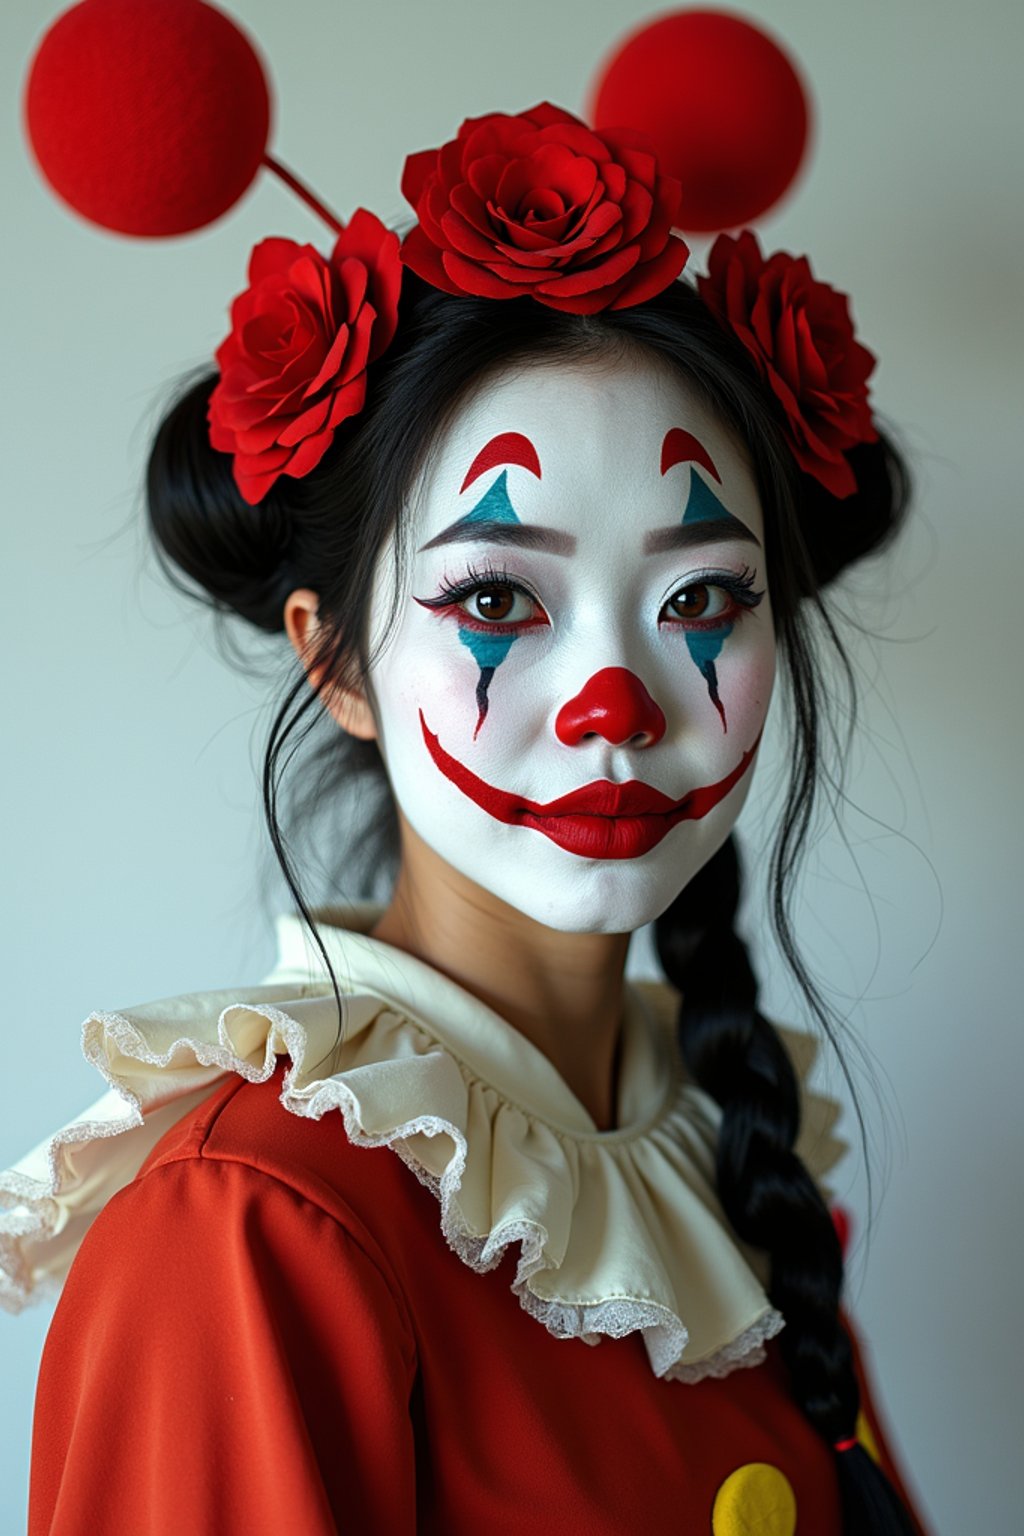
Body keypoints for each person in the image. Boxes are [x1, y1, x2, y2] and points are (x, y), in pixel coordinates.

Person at [2, 103, 929, 1534]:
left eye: (702, 600)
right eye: (498, 598)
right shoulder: (252, 1223)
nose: (613, 702)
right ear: (339, 659)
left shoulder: (722, 1135)